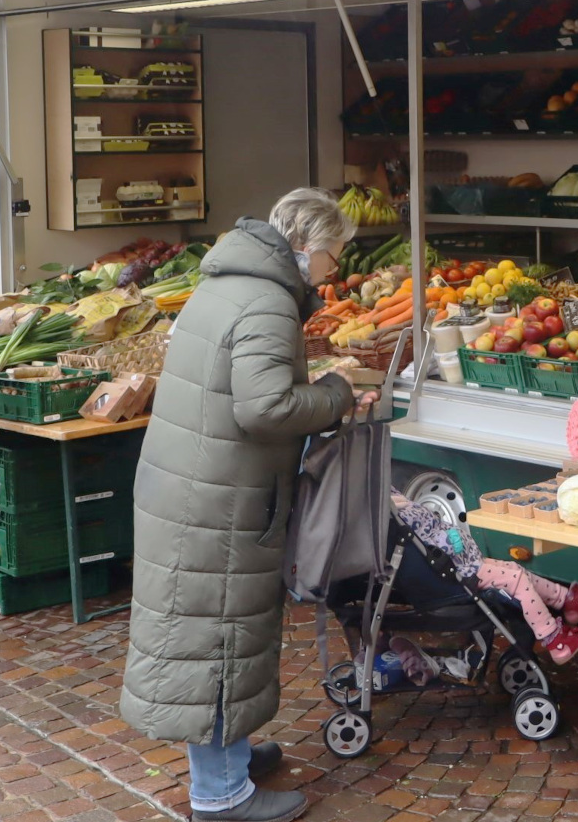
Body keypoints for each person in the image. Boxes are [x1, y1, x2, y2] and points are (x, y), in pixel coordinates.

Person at [121, 189, 358, 822]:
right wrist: (335, 393)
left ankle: (232, 754)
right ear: (307, 250)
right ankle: (221, 795)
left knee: (217, 632)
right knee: (219, 636)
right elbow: (264, 408)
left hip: (197, 485)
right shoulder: (267, 302)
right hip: (220, 499)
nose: (335, 271)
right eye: (334, 256)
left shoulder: (229, 280)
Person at [391, 490, 578, 664]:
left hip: (464, 564)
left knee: (515, 569)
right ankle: (555, 640)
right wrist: (450, 540)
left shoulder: (393, 506)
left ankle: (566, 600)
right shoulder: (397, 516)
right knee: (516, 580)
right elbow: (428, 542)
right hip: (460, 572)